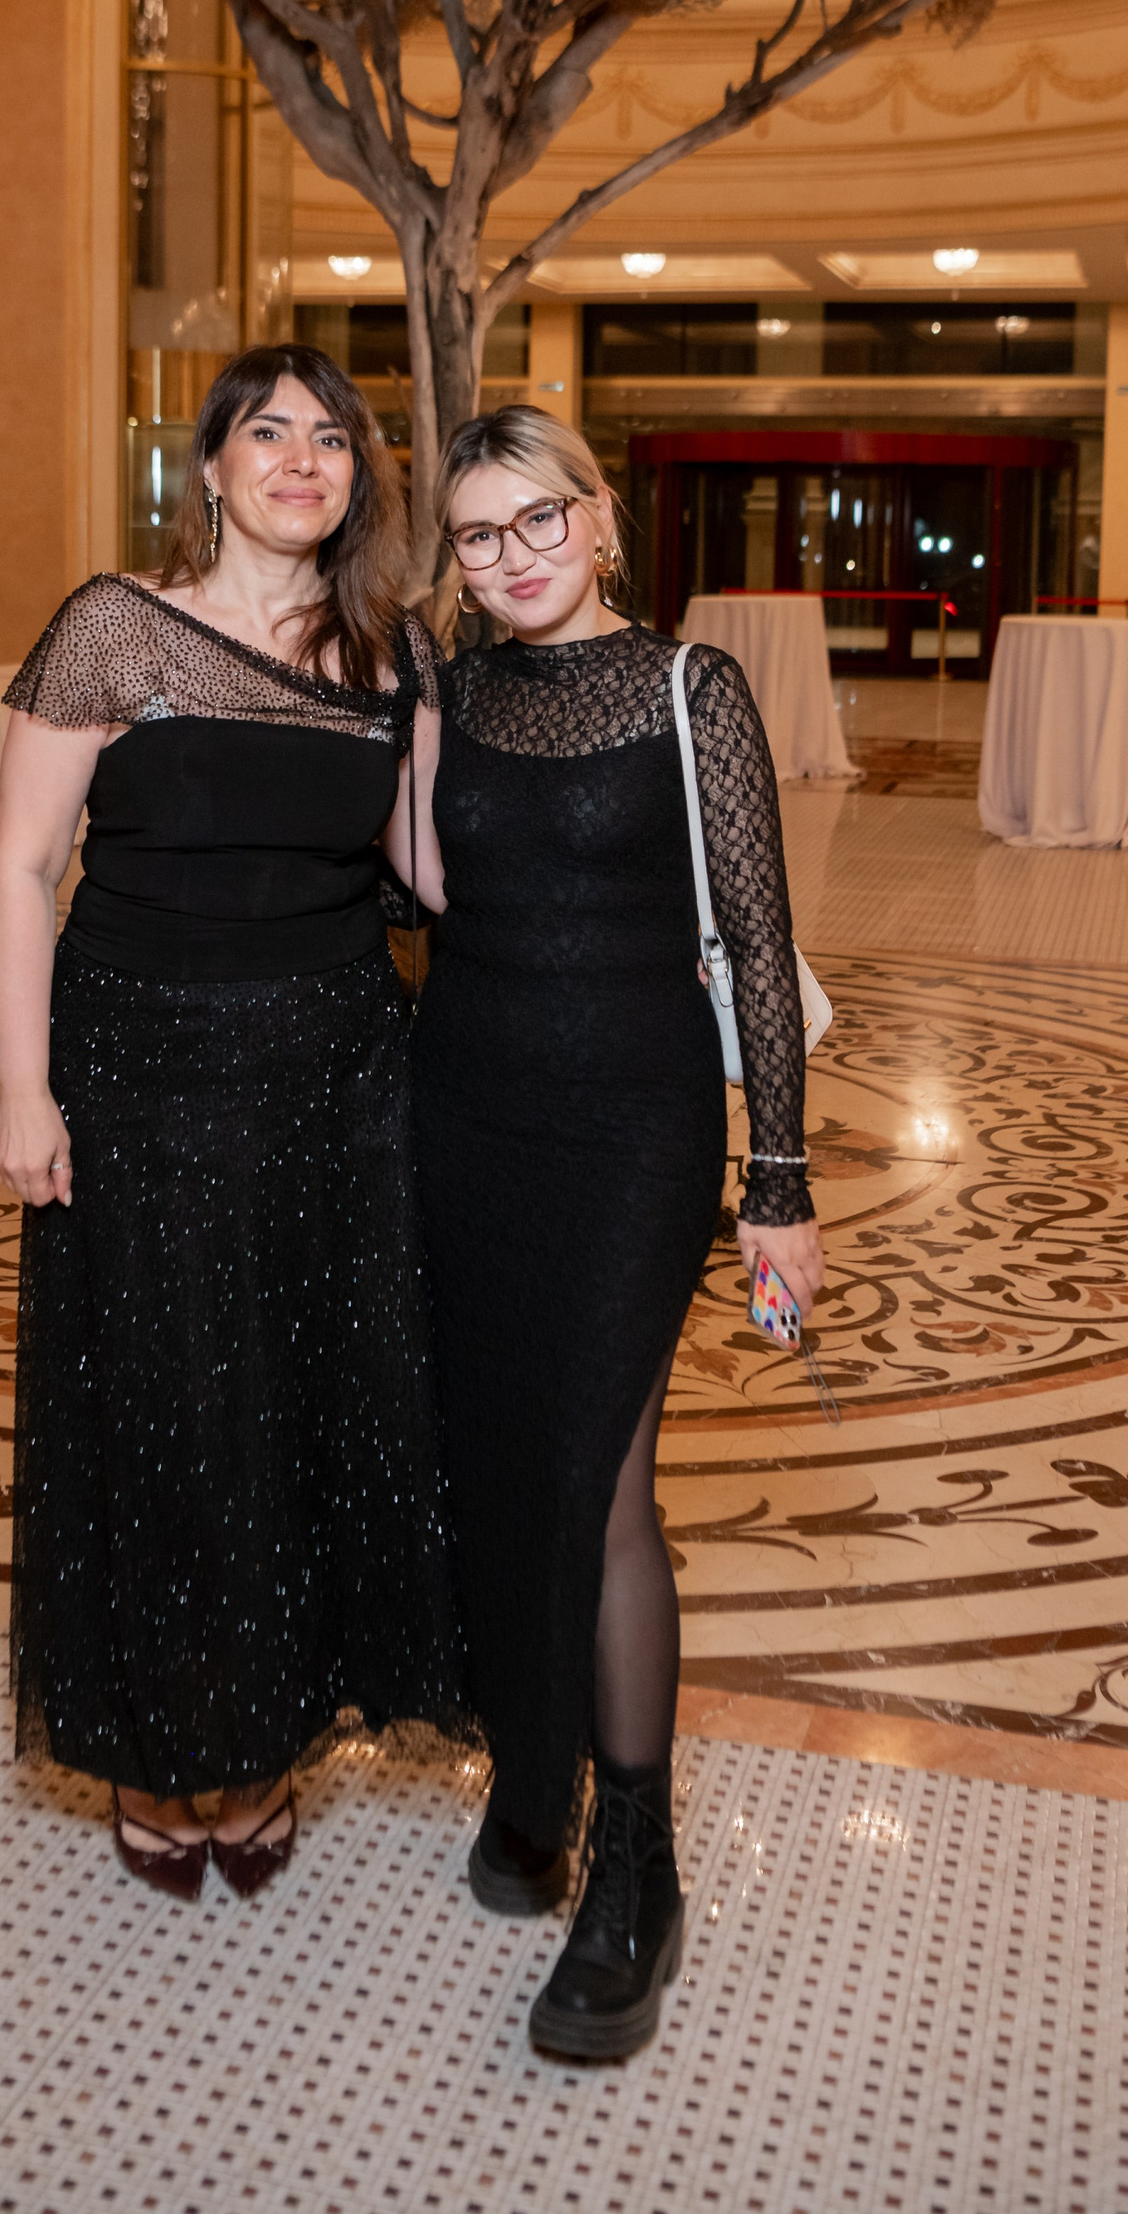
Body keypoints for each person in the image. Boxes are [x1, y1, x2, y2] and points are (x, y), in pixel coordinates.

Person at [0, 344, 466, 1902]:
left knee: (297, 1414)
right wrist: (23, 1086)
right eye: (269, 432)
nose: (301, 461)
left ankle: (258, 1743)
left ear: (358, 476)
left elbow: (433, 873)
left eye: (331, 439)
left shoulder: (390, 656)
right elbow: (22, 871)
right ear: (210, 466)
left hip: (335, 1080)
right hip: (138, 1072)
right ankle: (152, 1741)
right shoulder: (115, 626)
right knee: (158, 1409)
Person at [399, 405, 827, 2062]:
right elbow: (414, 891)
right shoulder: (451, 691)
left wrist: (777, 1184)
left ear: (600, 518)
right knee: (500, 1466)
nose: (511, 558)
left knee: (599, 1481)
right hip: (466, 1116)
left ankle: (638, 1866)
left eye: (538, 519)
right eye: (477, 534)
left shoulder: (688, 688)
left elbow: (762, 938)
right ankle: (536, 1782)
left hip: (634, 1136)